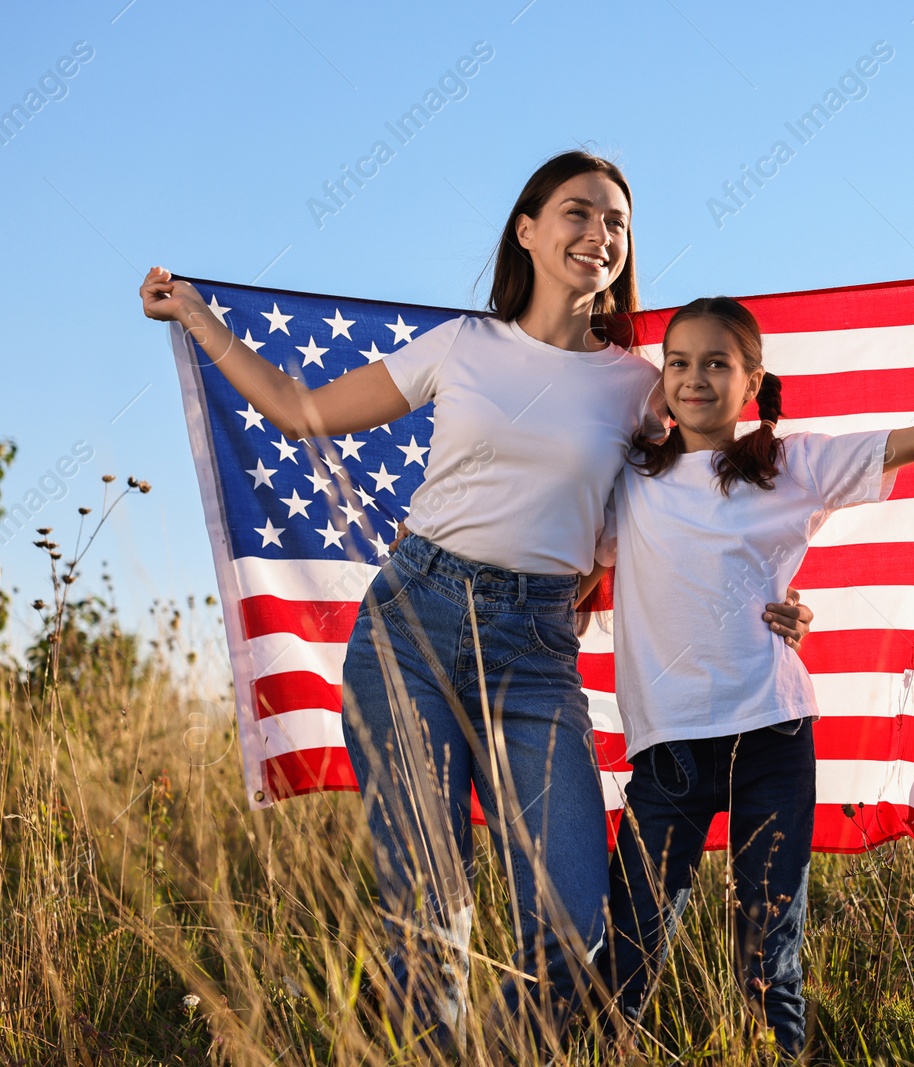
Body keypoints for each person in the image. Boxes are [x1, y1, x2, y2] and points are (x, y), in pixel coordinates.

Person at [138, 150, 813, 1051]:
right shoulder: (463, 346)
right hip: (411, 625)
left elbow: (712, 496)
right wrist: (198, 318)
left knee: (574, 932)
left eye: (616, 222)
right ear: (528, 231)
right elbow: (301, 411)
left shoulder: (637, 386)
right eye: (578, 213)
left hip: (536, 652)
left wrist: (776, 594)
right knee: (428, 914)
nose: (599, 234)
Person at [597, 282, 914, 1057]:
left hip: (772, 738)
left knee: (766, 960)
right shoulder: (630, 478)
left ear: (753, 382)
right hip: (668, 749)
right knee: (628, 949)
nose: (694, 378)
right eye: (678, 362)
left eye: (717, 363)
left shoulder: (790, 463)